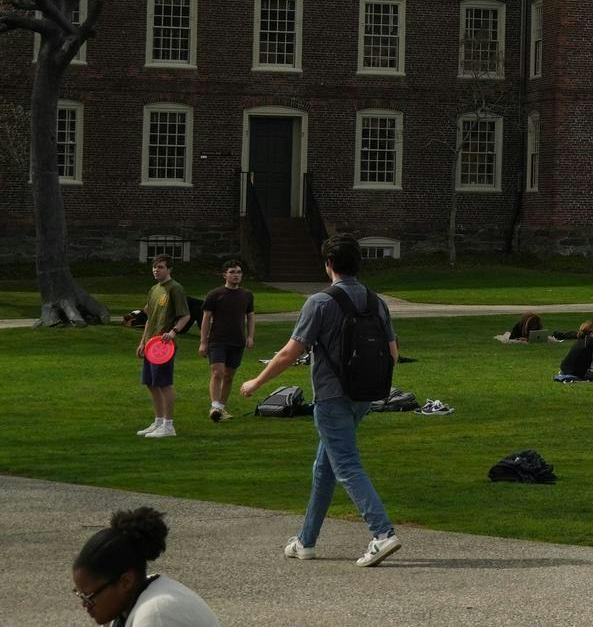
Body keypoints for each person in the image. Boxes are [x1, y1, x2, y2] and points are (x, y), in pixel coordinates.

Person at [238, 233, 401, 567]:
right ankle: (306, 540)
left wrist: (256, 381)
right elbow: (394, 354)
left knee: (346, 465)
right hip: (366, 395)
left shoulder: (320, 302)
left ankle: (382, 533)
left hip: (331, 397)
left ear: (328, 265)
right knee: (323, 468)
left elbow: (288, 353)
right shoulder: (376, 301)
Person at [71, 506, 219, 627]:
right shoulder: (133, 600)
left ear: (126, 582)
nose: (85, 604)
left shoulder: (156, 615)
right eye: (80, 594)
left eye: (89, 597)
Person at [135, 256, 192, 440]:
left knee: (164, 383)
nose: (156, 270)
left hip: (164, 346)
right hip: (151, 345)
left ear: (169, 269)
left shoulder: (176, 289)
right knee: (151, 384)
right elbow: (149, 318)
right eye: (154, 267)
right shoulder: (153, 290)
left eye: (160, 267)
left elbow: (185, 316)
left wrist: (173, 332)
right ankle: (158, 421)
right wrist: (143, 342)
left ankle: (169, 425)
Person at [198, 259, 255, 424]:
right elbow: (206, 318)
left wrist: (250, 336)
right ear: (225, 275)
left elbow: (250, 316)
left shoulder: (247, 295)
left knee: (229, 376)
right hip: (217, 340)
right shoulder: (215, 294)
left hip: (237, 341)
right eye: (232, 272)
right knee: (217, 372)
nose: (236, 275)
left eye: (238, 272)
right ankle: (214, 406)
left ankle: (221, 408)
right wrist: (203, 342)